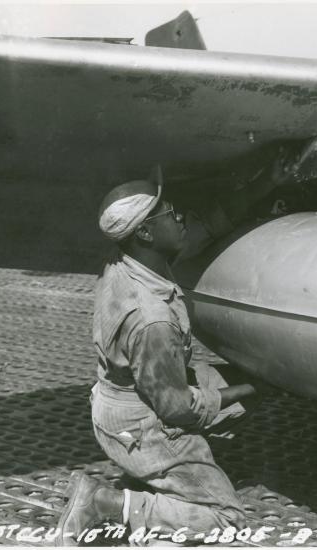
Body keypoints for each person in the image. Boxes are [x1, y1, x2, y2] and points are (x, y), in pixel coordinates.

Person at [56, 165, 275, 545]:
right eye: (171, 214)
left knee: (240, 389)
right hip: (144, 424)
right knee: (226, 520)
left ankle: (158, 479)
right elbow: (176, 408)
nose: (181, 217)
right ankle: (106, 502)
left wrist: (271, 178)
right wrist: (246, 390)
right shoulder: (151, 318)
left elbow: (206, 225)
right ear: (145, 231)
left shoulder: (132, 259)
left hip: (120, 405)